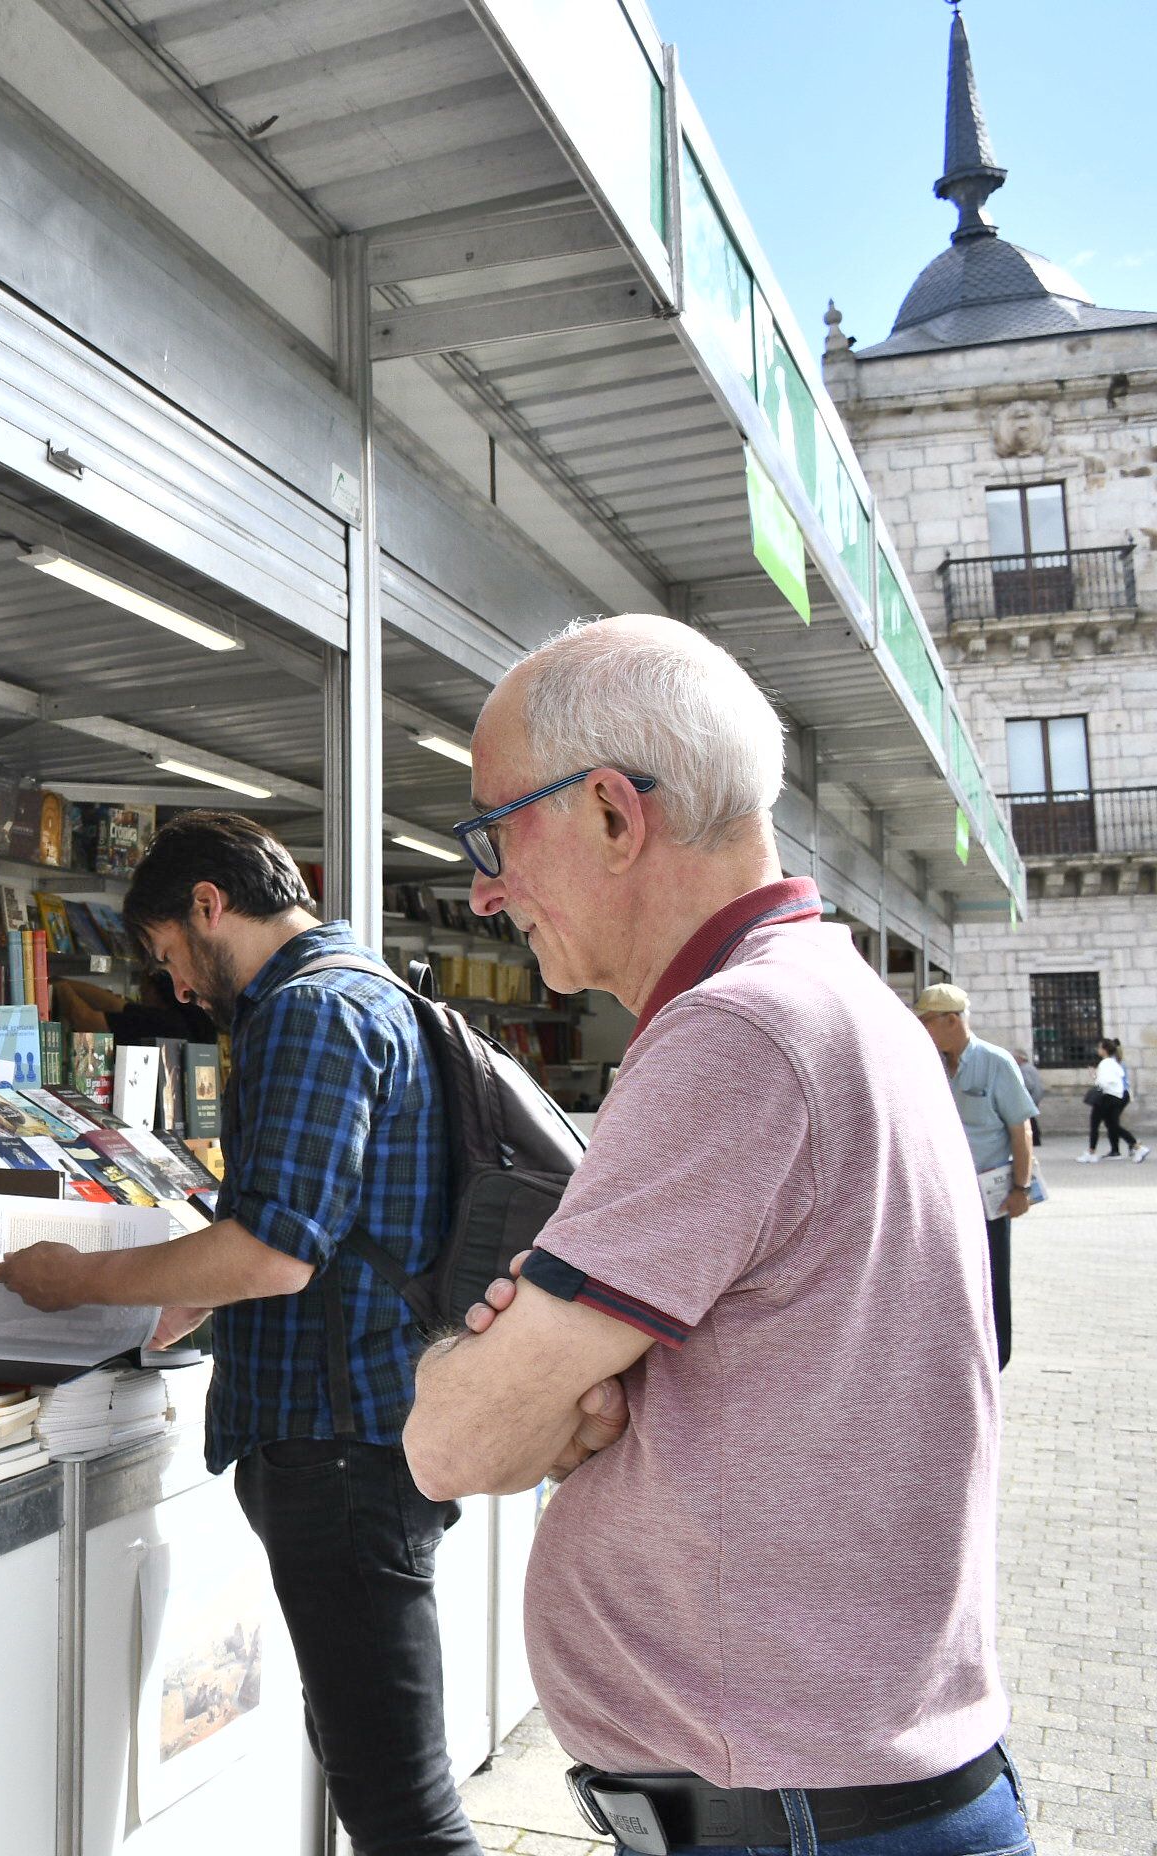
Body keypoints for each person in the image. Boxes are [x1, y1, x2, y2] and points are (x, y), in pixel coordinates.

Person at [402, 615, 1016, 1856]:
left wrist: (490, 1377)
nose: (483, 888)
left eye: (493, 830)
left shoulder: (738, 1034)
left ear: (616, 816)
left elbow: (451, 1439)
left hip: (790, 1813)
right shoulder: (842, 999)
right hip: (845, 1787)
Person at [0, 811, 472, 1856]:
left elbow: (277, 1249)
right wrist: (182, 1295)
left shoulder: (305, 1011)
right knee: (374, 1766)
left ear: (210, 905)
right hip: (374, 1430)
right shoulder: (369, 988)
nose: (176, 986)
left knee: (401, 1806)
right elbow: (326, 1225)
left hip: (340, 1445)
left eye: (168, 953)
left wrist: (81, 1280)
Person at [916, 985, 1034, 1368]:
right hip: (945, 1194)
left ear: (951, 1020)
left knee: (993, 1275)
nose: (922, 1028)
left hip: (990, 1194)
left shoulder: (996, 1062)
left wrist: (1022, 1186)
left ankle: (996, 1357)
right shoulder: (929, 1063)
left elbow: (1021, 1129)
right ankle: (955, 1358)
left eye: (927, 1021)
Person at [1084, 1037, 1141, 1162]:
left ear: (1105, 1049)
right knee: (1111, 1123)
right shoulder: (1115, 1063)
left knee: (1106, 1123)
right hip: (1116, 1095)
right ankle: (1124, 1148)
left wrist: (1095, 1077)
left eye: (1099, 1047)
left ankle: (1131, 1146)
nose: (1098, 1050)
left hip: (1110, 1096)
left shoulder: (1107, 1063)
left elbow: (1105, 1082)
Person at [1014, 1048, 1044, 1146]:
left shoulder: (1023, 1069)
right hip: (1036, 1096)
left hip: (1030, 1097)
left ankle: (1035, 1139)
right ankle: (1036, 1138)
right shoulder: (1030, 1067)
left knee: (1029, 1118)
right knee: (1031, 1118)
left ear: (1020, 1058)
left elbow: (1028, 1084)